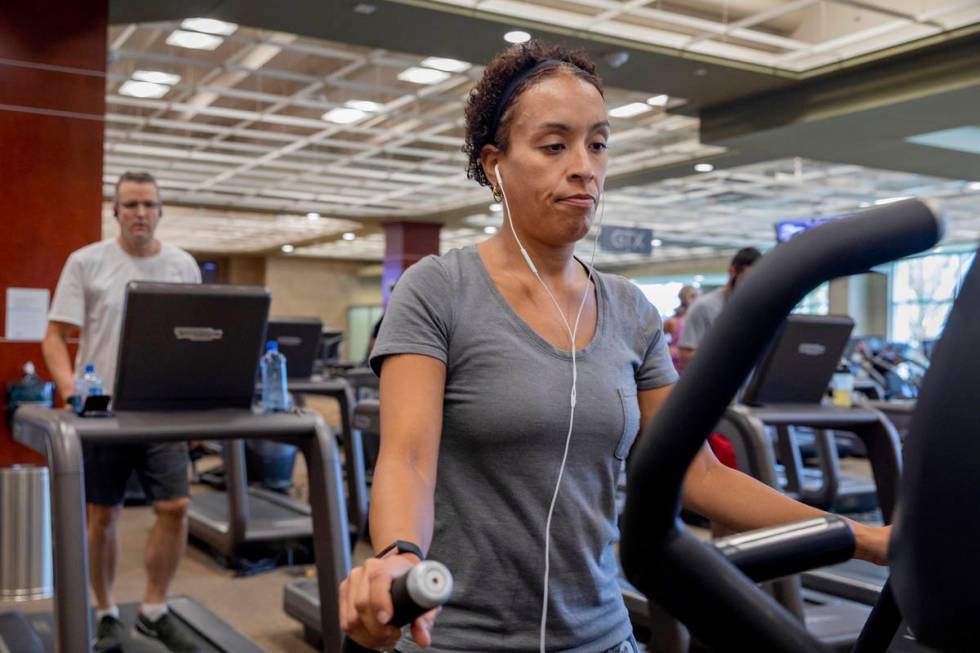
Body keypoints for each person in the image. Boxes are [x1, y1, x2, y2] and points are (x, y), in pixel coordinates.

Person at [339, 42, 889, 653]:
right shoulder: (438, 290)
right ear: (495, 164)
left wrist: (864, 537)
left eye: (597, 144)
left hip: (604, 636)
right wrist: (397, 556)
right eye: (554, 146)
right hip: (459, 638)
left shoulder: (630, 311)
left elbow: (697, 475)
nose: (584, 167)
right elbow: (408, 459)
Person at [42, 171, 202, 653]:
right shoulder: (87, 262)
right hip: (104, 411)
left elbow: (198, 342)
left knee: (175, 507)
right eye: (130, 204)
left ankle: (154, 608)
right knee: (102, 515)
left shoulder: (183, 266)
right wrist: (72, 392)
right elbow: (54, 337)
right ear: (115, 211)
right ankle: (107, 611)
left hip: (164, 410)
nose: (139, 213)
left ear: (160, 211)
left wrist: (197, 403)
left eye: (148, 205)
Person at [677, 247, 761, 371]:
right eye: (747, 279)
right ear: (732, 272)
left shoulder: (755, 307)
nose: (752, 285)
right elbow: (685, 358)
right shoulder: (704, 306)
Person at [663, 284, 700, 371]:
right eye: (693, 297)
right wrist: (667, 349)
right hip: (676, 361)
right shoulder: (673, 321)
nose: (697, 300)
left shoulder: (699, 318)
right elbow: (655, 336)